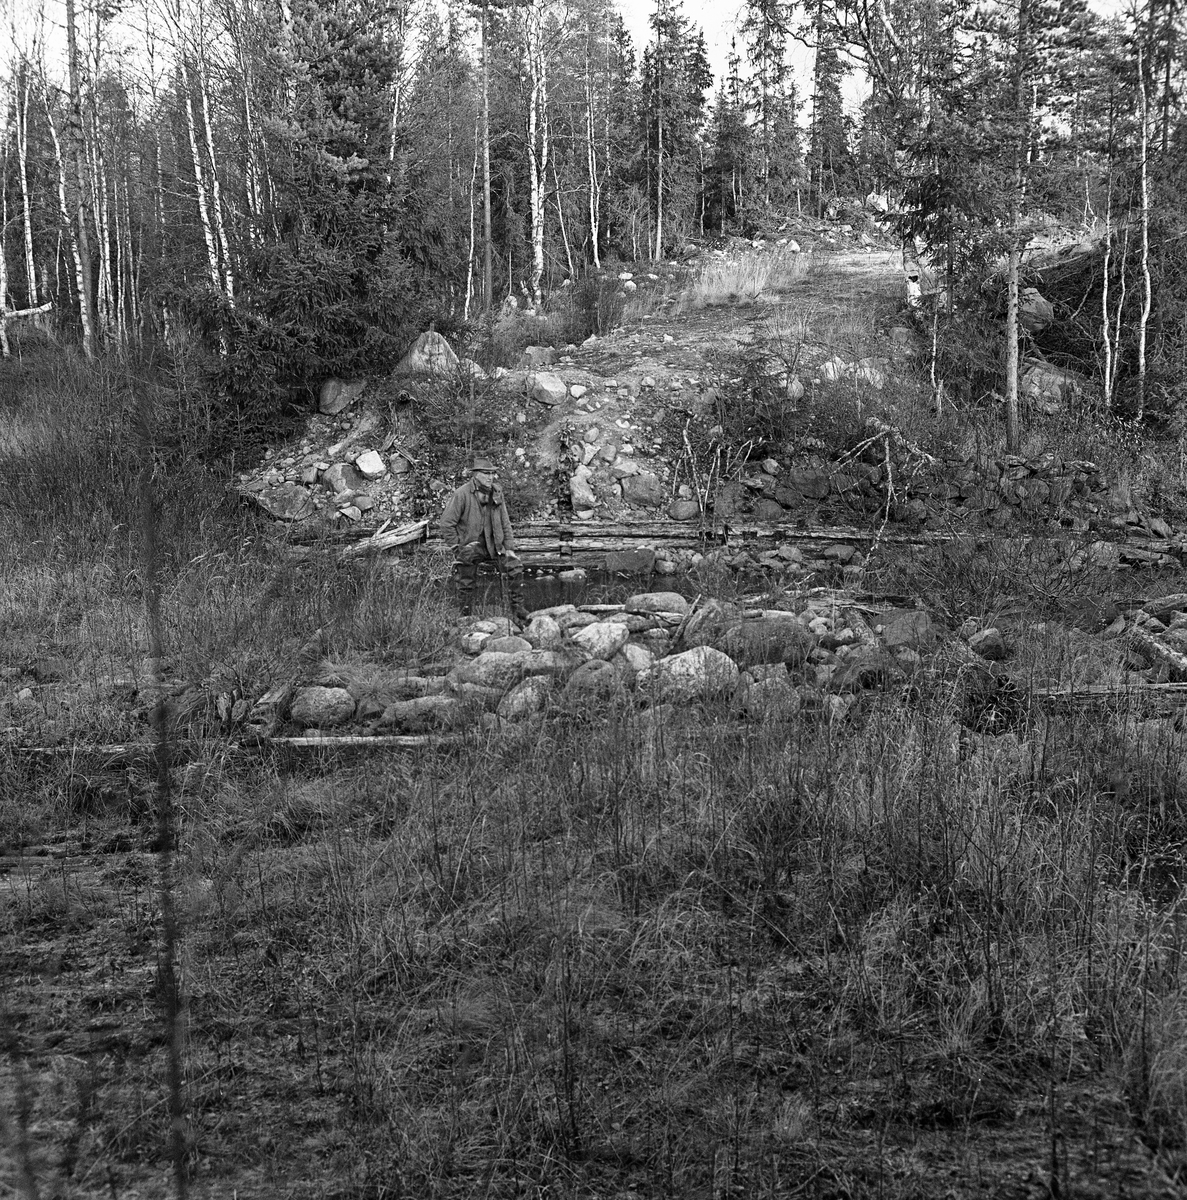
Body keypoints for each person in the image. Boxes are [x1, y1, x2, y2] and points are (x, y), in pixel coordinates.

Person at [439, 456, 529, 620]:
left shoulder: (497, 492)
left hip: (495, 546)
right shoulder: (462, 494)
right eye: (486, 473)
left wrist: (509, 549)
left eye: (492, 473)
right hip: (471, 547)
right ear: (475, 475)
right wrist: (457, 548)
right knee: (465, 581)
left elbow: (505, 522)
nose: (490, 477)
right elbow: (446, 523)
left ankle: (518, 611)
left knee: (515, 567)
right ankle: (465, 617)